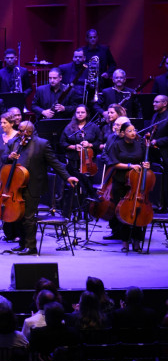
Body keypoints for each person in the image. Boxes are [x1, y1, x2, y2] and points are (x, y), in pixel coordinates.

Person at [0, 120, 78, 255]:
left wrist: (67, 177)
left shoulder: (42, 144)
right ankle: (22, 244)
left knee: (28, 217)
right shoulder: (14, 142)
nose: (23, 133)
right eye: (21, 130)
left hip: (32, 185)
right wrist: (9, 156)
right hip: (15, 186)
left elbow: (55, 163)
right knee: (18, 217)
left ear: (31, 131)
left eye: (26, 131)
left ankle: (31, 247)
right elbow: (3, 158)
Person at [105, 122, 150, 251]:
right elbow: (114, 163)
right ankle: (125, 242)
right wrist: (130, 166)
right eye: (129, 131)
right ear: (123, 133)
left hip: (137, 181)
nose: (133, 133)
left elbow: (144, 161)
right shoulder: (116, 145)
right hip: (121, 181)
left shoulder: (140, 145)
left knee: (138, 211)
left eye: (134, 130)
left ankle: (137, 241)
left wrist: (146, 164)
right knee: (123, 212)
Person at [60, 105, 102, 204]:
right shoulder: (69, 127)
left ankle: (88, 202)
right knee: (79, 176)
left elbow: (99, 143)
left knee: (84, 176)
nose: (80, 114)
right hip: (73, 159)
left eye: (82, 112)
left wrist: (90, 144)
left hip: (89, 161)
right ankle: (91, 195)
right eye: (78, 112)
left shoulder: (93, 127)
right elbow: (62, 142)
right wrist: (74, 147)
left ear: (87, 114)